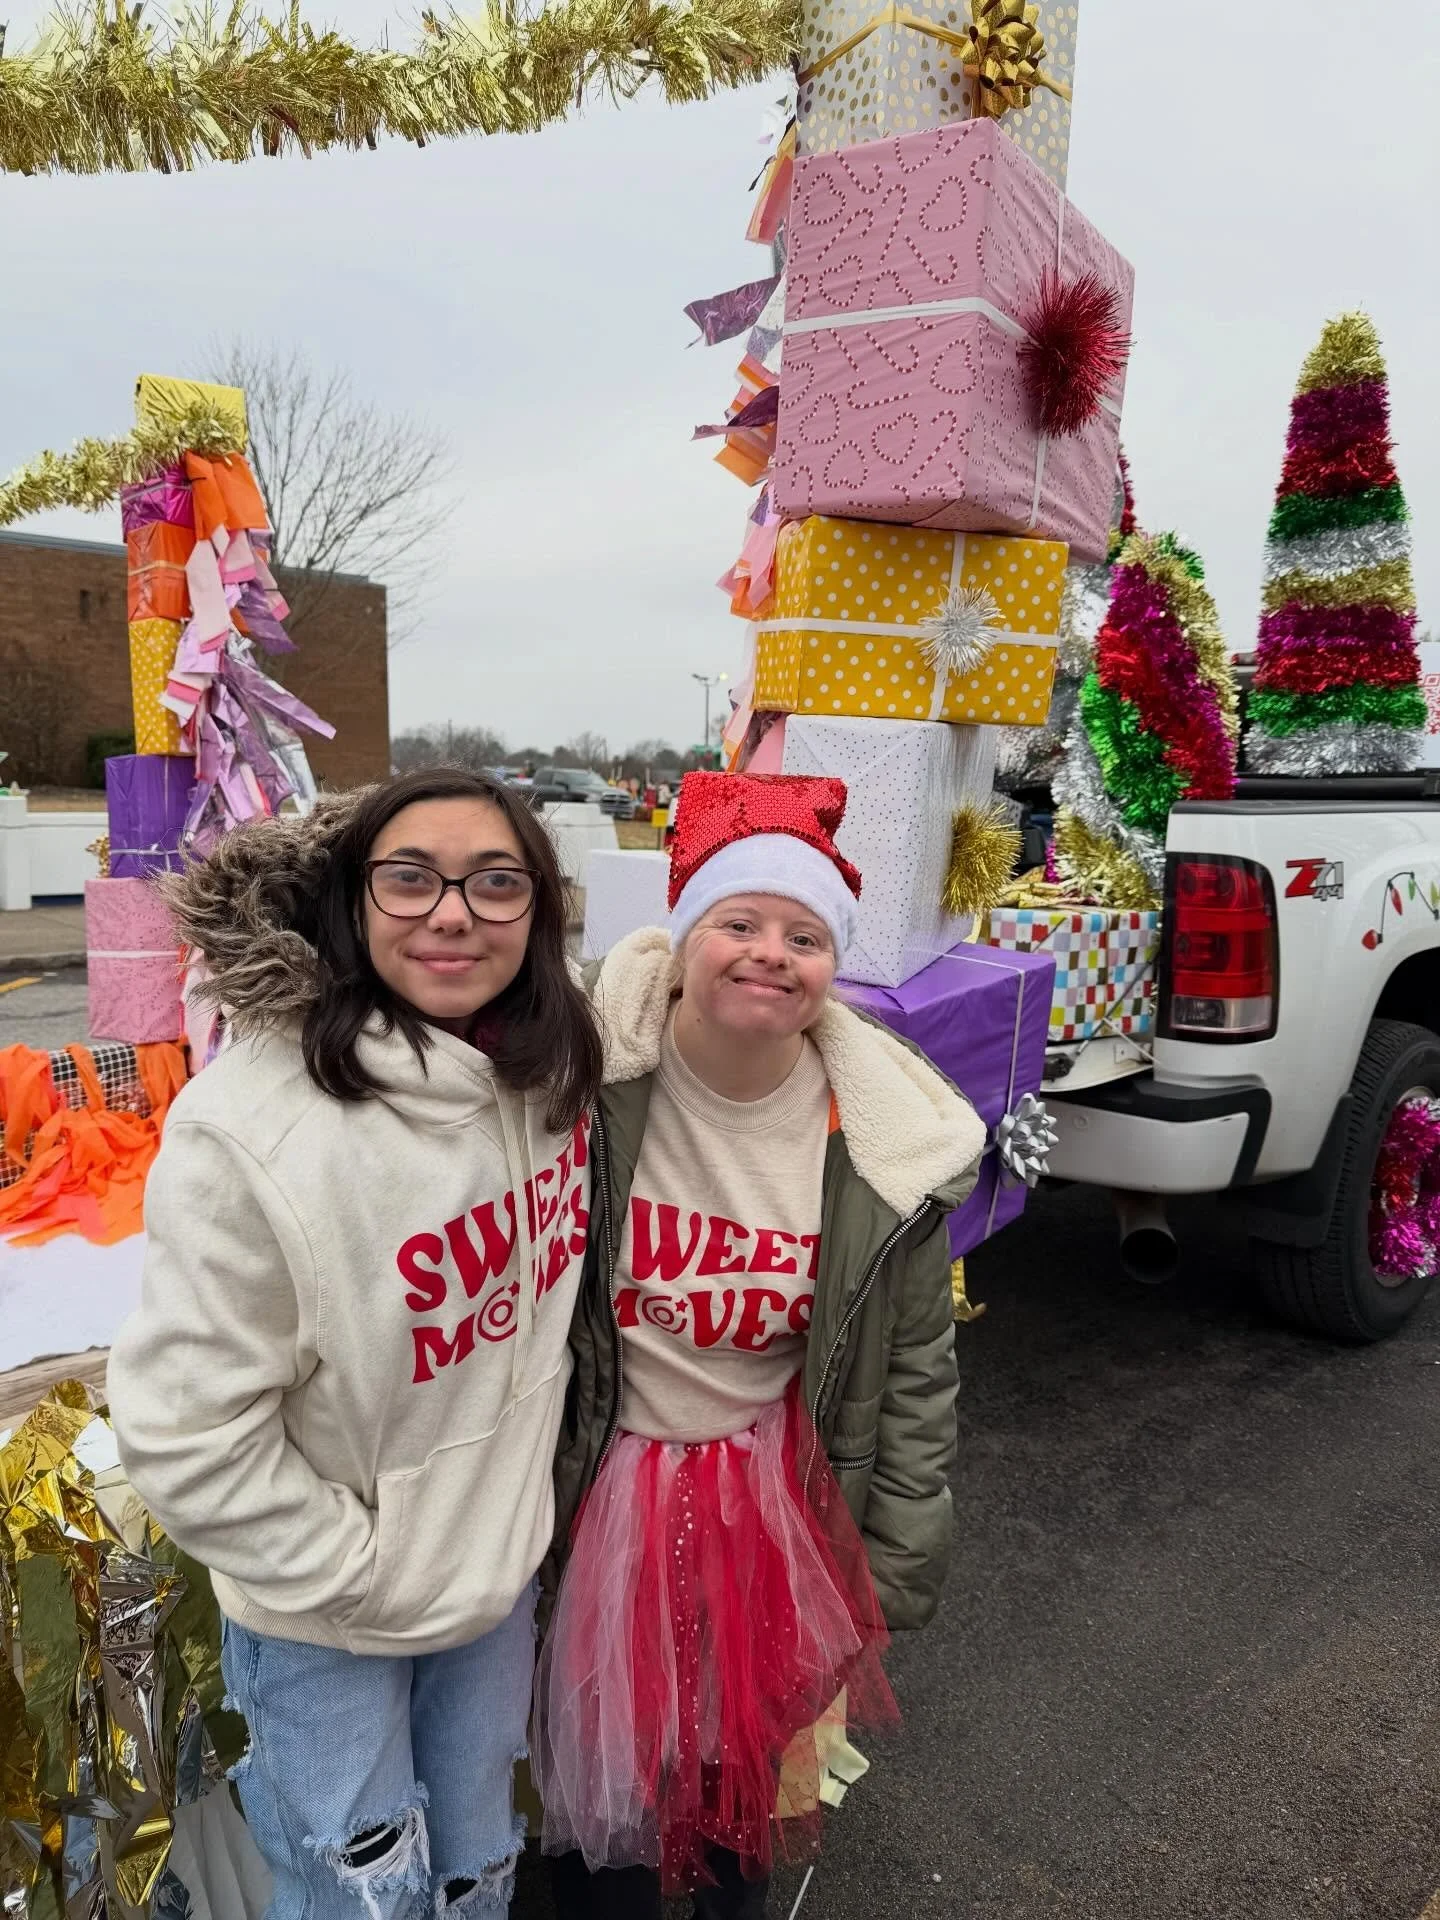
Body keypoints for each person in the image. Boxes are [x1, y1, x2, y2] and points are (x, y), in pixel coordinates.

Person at [107, 769, 603, 1920]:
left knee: (478, 1872)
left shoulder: (551, 1068)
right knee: (357, 1901)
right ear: (353, 897)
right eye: (410, 878)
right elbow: (185, 1437)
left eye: (494, 882)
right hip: (332, 1619)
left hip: (491, 1586)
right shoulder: (254, 1131)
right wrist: (364, 1576)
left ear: (537, 909)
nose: (450, 912)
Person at [534, 771, 986, 1920]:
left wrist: (892, 1562)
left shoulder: (884, 1151)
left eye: (805, 935)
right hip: (608, 1495)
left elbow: (919, 1375)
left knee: (744, 1806)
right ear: (682, 945)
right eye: (738, 923)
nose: (770, 953)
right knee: (611, 1825)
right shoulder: (580, 1089)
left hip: (770, 1507)